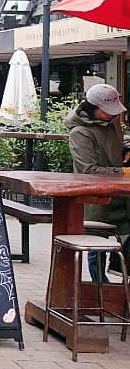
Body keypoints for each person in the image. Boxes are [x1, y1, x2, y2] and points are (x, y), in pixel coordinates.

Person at [65, 83, 130, 282]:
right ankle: (98, 289)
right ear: (92, 108)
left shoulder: (112, 123)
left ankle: (115, 280)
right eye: (108, 112)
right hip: (97, 197)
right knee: (97, 246)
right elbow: (88, 170)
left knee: (125, 238)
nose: (113, 116)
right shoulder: (80, 133)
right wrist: (124, 171)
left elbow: (114, 147)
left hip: (122, 196)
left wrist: (125, 150)